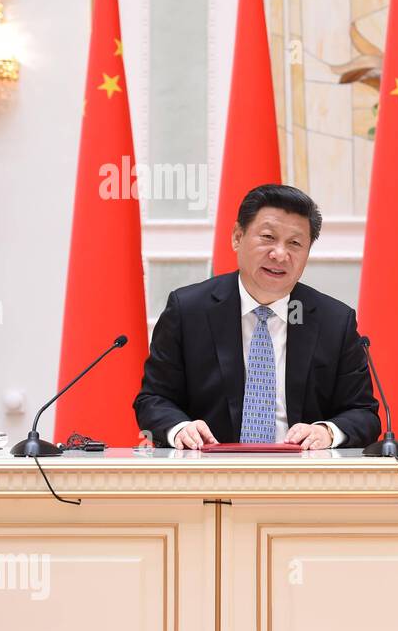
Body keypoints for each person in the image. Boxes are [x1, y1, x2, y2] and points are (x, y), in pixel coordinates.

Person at [134, 184, 381, 449]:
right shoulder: (188, 310)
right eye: (267, 237)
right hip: (209, 474)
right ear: (237, 237)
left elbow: (364, 413)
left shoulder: (334, 321)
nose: (280, 254)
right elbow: (153, 399)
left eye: (295, 243)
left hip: (304, 478)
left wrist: (328, 432)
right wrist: (180, 428)